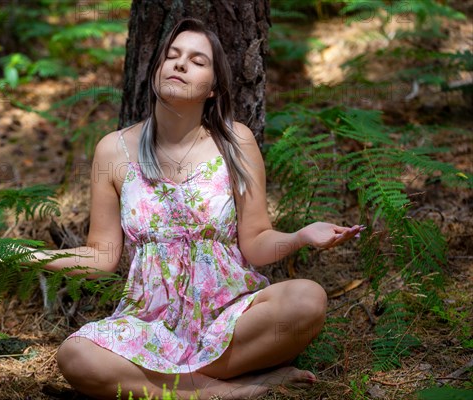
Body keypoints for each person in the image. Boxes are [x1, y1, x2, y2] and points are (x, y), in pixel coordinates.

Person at [28, 18, 364, 399]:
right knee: (76, 356)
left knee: (307, 299)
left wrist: (301, 236)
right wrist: (29, 256)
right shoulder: (113, 150)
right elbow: (101, 256)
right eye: (171, 56)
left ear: (213, 88)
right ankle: (213, 392)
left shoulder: (235, 141)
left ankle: (178, 383)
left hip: (231, 318)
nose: (180, 64)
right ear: (155, 72)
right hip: (149, 325)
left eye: (196, 60)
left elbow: (255, 243)